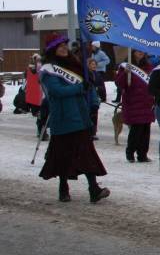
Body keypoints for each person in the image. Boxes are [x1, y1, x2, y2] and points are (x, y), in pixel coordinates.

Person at [37, 33, 110, 203]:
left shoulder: (74, 65)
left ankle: (94, 189)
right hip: (63, 119)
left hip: (80, 117)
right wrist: (79, 88)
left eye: (64, 45)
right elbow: (56, 91)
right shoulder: (49, 70)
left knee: (87, 154)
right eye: (59, 46)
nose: (63, 48)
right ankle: (63, 188)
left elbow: (85, 84)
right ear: (52, 50)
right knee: (63, 156)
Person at [115, 49, 156, 163]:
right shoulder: (125, 67)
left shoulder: (148, 67)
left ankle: (142, 154)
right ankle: (130, 153)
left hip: (147, 102)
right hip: (133, 102)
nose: (140, 53)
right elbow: (119, 83)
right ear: (132, 53)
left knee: (145, 131)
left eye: (142, 51)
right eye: (138, 51)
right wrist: (125, 73)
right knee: (136, 130)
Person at [86, 58, 103, 140]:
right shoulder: (86, 74)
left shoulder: (98, 75)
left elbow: (102, 86)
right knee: (88, 115)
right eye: (92, 64)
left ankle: (93, 132)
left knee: (94, 115)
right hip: (88, 97)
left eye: (95, 64)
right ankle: (87, 131)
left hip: (96, 98)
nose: (94, 66)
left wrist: (103, 96)